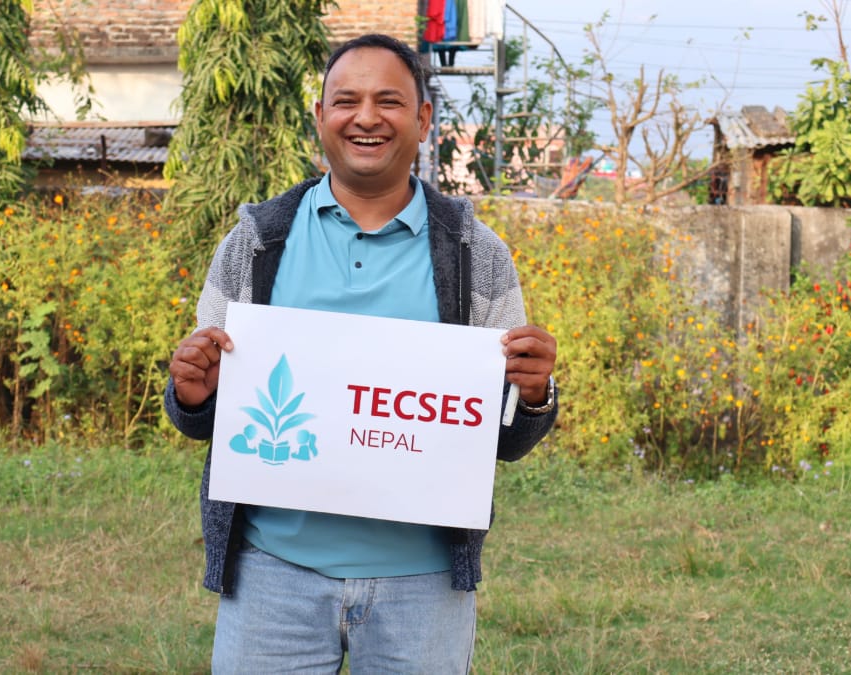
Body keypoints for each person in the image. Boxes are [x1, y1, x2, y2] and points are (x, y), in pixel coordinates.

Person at [164, 33, 558, 673]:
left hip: (422, 586)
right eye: (346, 100)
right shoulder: (257, 241)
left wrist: (535, 395)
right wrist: (190, 391)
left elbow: (507, 440)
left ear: (425, 119)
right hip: (273, 576)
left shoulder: (475, 253)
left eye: (390, 101)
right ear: (320, 117)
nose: (367, 117)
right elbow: (201, 414)